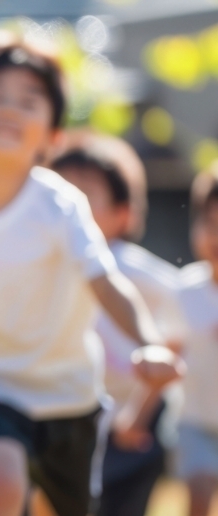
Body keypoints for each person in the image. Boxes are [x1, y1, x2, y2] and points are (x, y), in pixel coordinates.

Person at [0, 33, 180, 516]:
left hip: (66, 393)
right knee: (2, 484)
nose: (10, 109)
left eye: (29, 101)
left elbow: (105, 280)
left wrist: (146, 339)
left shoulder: (58, 204)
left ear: (52, 135)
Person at [52, 132, 185, 516]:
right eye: (62, 194)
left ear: (122, 212)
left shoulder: (134, 270)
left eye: (86, 195)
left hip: (133, 424)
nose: (71, 208)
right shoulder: (43, 268)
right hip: (70, 415)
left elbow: (176, 336)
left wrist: (139, 413)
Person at [175, 166, 218, 516]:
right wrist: (138, 416)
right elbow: (169, 351)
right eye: (210, 223)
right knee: (199, 497)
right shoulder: (185, 288)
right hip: (195, 420)